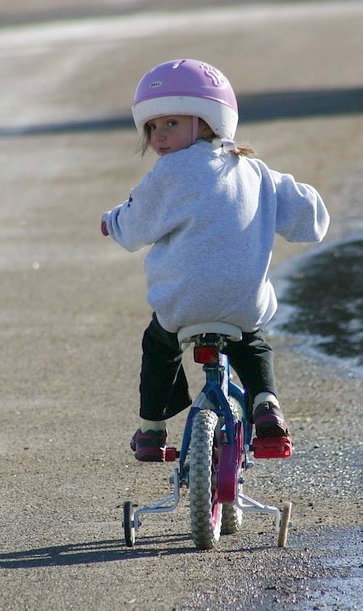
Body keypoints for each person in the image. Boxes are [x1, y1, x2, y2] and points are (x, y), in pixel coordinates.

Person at [101, 59, 329, 462]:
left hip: (182, 304)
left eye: (171, 123)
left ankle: (152, 429)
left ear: (208, 122)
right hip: (243, 302)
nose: (159, 136)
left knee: (159, 345)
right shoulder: (256, 173)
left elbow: (134, 227)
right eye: (152, 127)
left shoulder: (169, 174)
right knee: (252, 343)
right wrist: (312, 208)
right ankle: (266, 405)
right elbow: (309, 217)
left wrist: (112, 222)